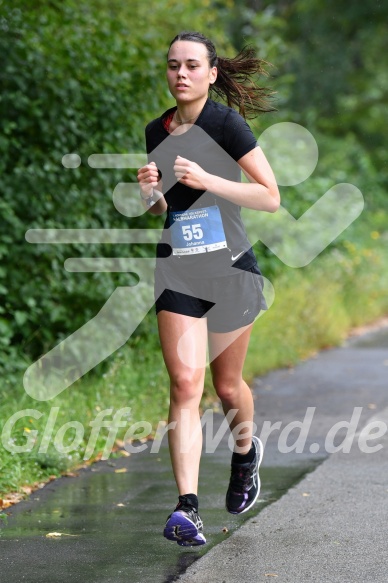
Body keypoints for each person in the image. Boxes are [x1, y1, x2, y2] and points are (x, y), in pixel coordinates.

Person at [137, 31, 280, 547]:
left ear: (212, 73)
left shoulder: (226, 123)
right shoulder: (158, 128)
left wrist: (208, 179)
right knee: (184, 384)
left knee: (226, 388)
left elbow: (269, 196)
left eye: (192, 65)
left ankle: (245, 453)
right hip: (178, 270)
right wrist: (152, 194)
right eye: (173, 65)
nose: (181, 74)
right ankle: (187, 508)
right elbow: (166, 210)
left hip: (230, 271)